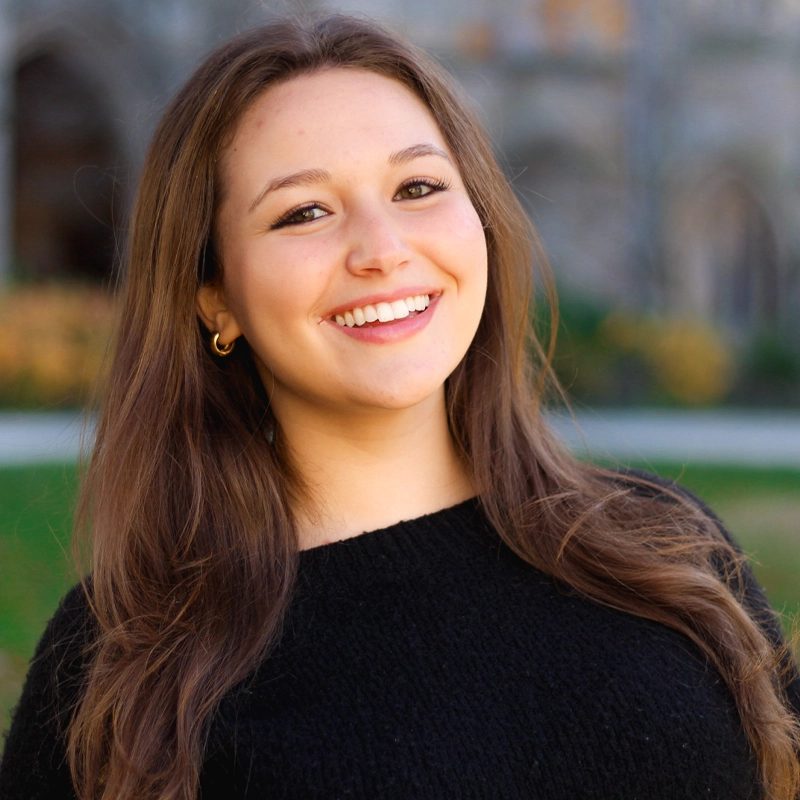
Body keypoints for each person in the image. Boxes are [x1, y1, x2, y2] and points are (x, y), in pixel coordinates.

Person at [1, 13, 799, 800]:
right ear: (216, 299)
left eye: (418, 187)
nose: (382, 249)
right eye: (303, 212)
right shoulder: (126, 667)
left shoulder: (669, 548)